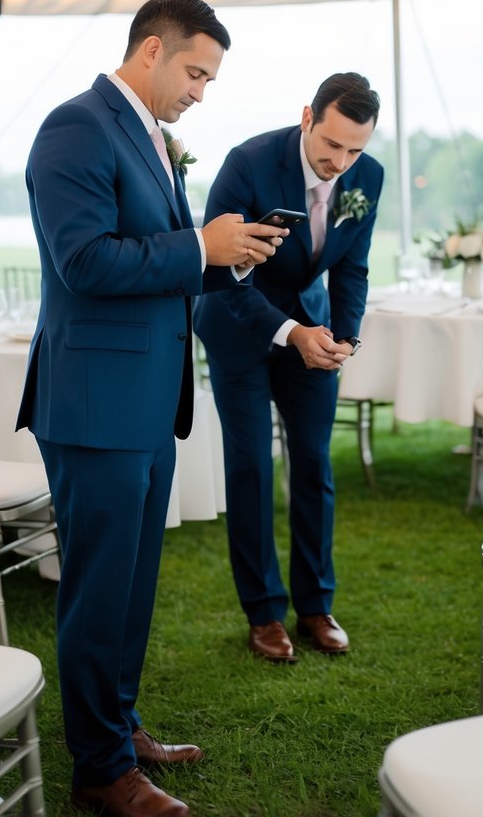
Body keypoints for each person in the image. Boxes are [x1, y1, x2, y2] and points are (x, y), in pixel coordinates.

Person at [17, 0, 283, 817]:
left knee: (131, 587)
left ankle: (119, 728)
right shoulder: (74, 127)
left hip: (144, 402)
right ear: (150, 53)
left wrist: (223, 254)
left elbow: (157, 258)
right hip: (95, 405)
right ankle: (98, 769)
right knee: (98, 591)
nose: (201, 91)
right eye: (196, 73)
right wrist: (194, 243)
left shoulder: (148, 136)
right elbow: (85, 263)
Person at [193, 72, 383, 663]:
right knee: (250, 466)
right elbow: (222, 272)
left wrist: (344, 339)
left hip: (313, 328)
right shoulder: (247, 163)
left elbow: (351, 268)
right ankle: (264, 613)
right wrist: (288, 333)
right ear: (308, 118)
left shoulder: (367, 178)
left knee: (315, 464)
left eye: (355, 149)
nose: (341, 162)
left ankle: (315, 604)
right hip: (239, 328)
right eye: (332, 146)